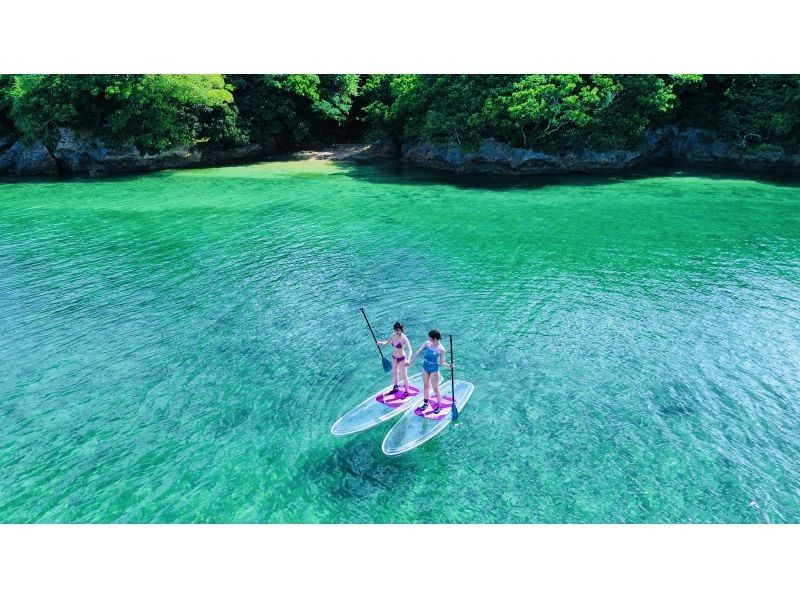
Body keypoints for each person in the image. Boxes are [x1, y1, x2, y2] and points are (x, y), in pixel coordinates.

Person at [408, 329, 453, 414]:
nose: (428, 338)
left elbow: (442, 362)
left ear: (435, 338)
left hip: (434, 370)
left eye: (430, 337)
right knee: (426, 386)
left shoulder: (441, 349)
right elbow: (418, 352)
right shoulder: (427, 343)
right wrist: (411, 361)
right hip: (425, 367)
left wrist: (449, 366)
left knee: (435, 388)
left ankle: (439, 405)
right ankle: (425, 403)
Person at [376, 321, 413, 394]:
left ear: (401, 329)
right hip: (394, 358)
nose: (396, 331)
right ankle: (396, 387)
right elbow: (387, 342)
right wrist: (380, 343)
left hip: (402, 359)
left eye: (398, 330)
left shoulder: (404, 338)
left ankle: (406, 391)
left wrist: (408, 360)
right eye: (395, 330)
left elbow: (410, 350)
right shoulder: (393, 335)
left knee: (404, 375)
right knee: (395, 373)